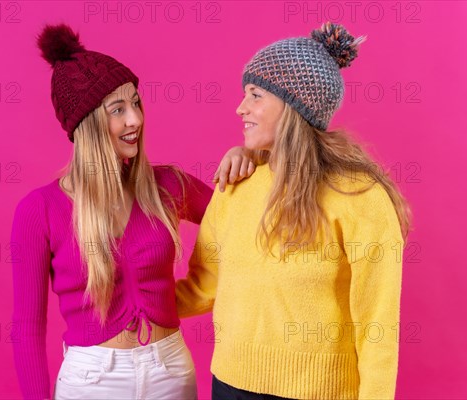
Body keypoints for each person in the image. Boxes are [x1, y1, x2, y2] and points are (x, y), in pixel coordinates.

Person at [10, 24, 254, 400]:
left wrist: (249, 155)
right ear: (87, 125)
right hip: (91, 381)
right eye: (118, 109)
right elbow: (27, 328)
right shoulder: (39, 210)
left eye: (136, 103)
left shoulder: (168, 185)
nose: (135, 120)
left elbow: (243, 217)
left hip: (169, 371)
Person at [176, 22, 412, 400]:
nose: (240, 108)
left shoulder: (360, 197)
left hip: (318, 392)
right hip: (230, 384)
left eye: (255, 94)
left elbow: (377, 323)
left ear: (293, 105)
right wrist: (131, 304)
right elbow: (205, 285)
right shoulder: (235, 183)